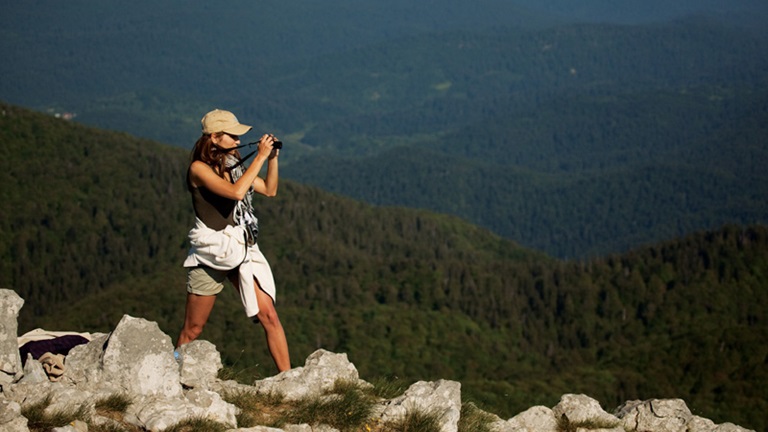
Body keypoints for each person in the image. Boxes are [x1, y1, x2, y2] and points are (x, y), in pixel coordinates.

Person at [176, 108, 290, 372]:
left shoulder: (232, 162)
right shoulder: (198, 169)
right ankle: (173, 369)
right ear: (214, 138)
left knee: (269, 315)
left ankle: (289, 378)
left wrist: (272, 159)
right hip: (210, 253)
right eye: (233, 136)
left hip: (240, 248)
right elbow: (237, 193)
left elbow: (269, 190)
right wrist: (260, 157)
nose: (238, 141)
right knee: (192, 329)